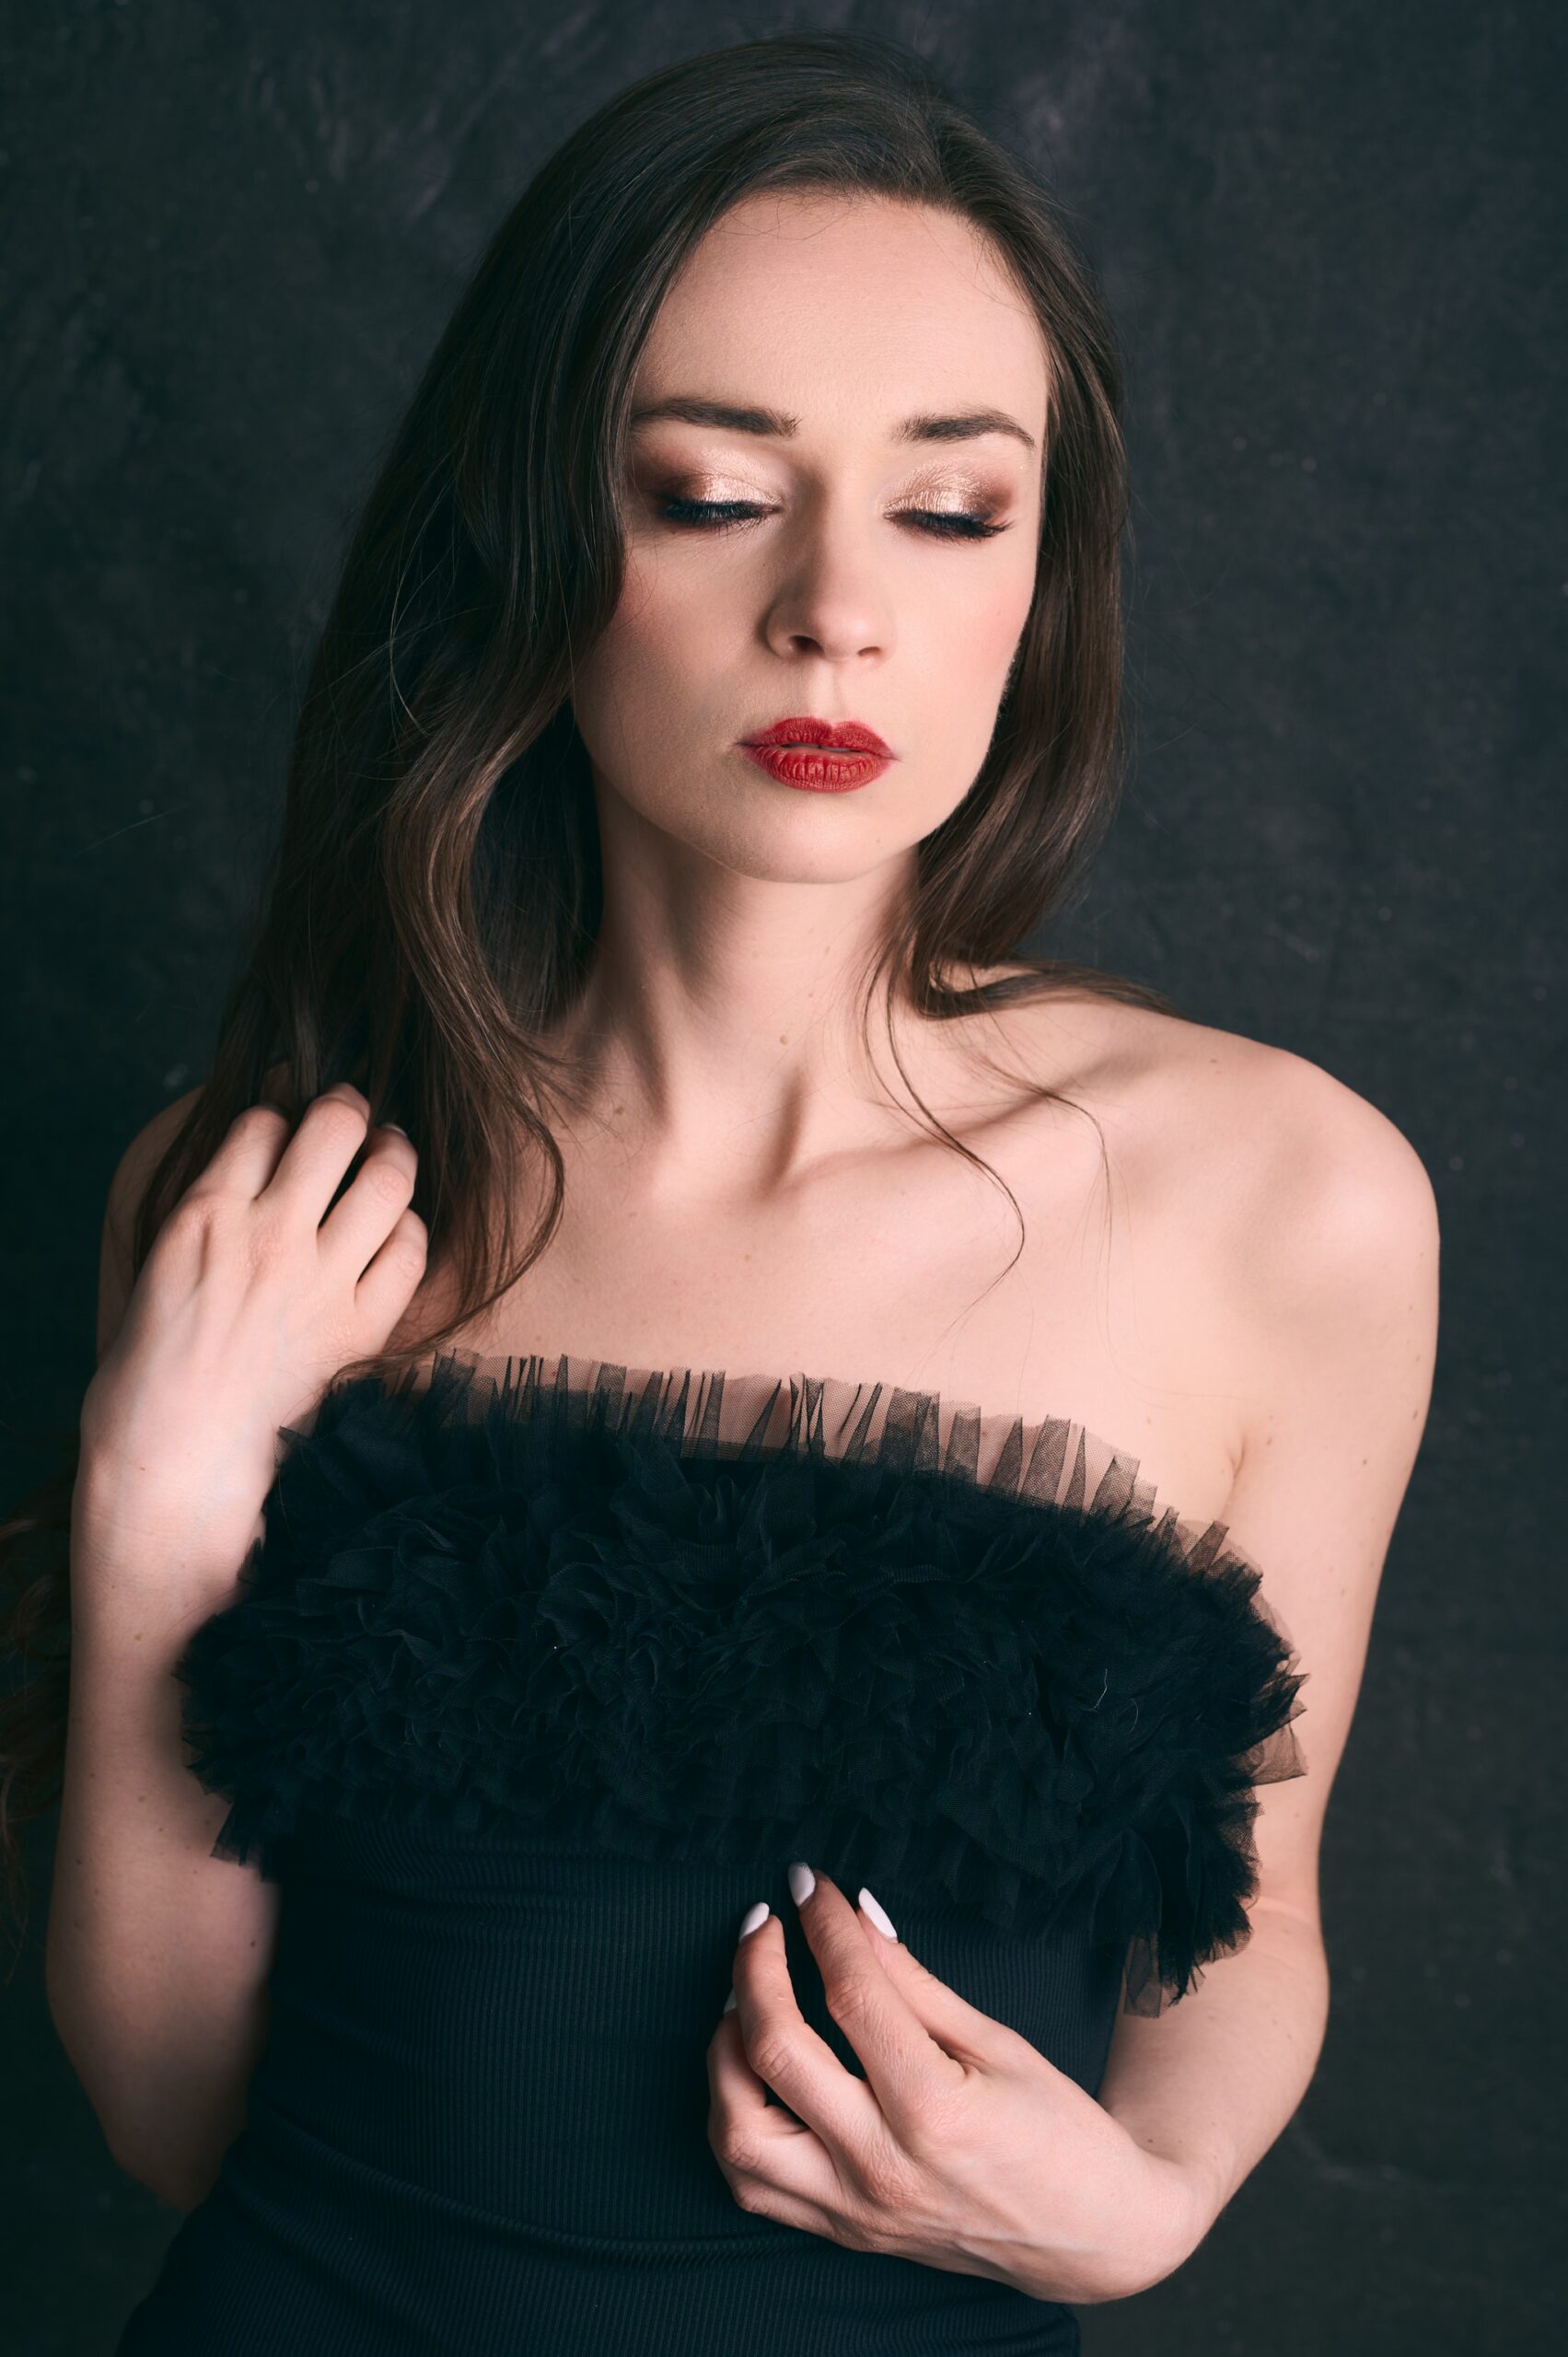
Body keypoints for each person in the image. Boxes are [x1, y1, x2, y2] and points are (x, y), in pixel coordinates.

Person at [12, 30, 1437, 2357]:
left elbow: (1251, 1922)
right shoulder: (269, 1198)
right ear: (532, 537)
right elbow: (178, 2111)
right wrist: (155, 1487)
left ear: (1042, 576)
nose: (835, 607)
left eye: (951, 509)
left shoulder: (1286, 1200)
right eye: (707, 492)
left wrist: (1150, 2202)